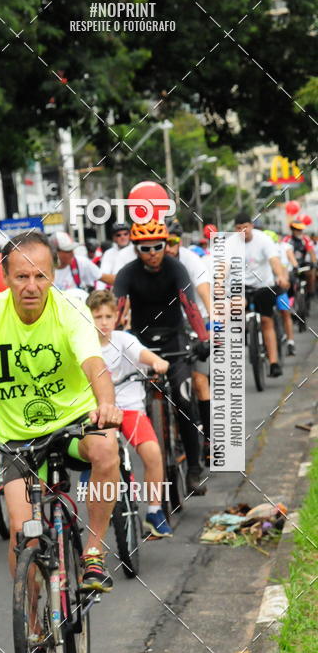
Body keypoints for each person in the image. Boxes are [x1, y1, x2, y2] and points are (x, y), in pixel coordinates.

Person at [0, 231, 123, 592]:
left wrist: (107, 405)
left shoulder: (69, 308)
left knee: (106, 447)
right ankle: (34, 630)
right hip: (18, 438)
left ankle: (94, 550)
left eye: (40, 276)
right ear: (5, 277)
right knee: (23, 537)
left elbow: (95, 365)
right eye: (21, 276)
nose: (31, 286)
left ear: (52, 276)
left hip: (72, 423)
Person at [113, 220, 209, 494]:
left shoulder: (176, 268)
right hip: (141, 345)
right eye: (145, 248)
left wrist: (202, 338)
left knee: (183, 397)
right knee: (133, 401)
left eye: (158, 246)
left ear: (166, 245)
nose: (153, 252)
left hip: (175, 340)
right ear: (136, 249)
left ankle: (193, 468)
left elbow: (190, 306)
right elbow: (116, 313)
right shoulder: (126, 273)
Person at [86, 290, 172, 536]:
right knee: (100, 456)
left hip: (130, 409)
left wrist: (157, 362)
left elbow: (144, 355)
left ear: (116, 318)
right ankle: (105, 503)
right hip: (101, 413)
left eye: (108, 316)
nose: (103, 322)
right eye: (97, 316)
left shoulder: (124, 340)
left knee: (153, 452)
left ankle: (154, 511)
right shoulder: (84, 346)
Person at [165, 219, 213, 465]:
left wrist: (212, 324)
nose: (169, 248)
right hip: (170, 328)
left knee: (198, 379)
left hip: (197, 320)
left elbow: (204, 291)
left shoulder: (191, 260)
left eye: (173, 242)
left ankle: (209, 439)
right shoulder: (153, 264)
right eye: (165, 242)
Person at [234, 211, 289, 377]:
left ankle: (273, 362)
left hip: (264, 285)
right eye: (238, 228)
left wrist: (280, 276)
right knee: (236, 311)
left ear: (251, 226)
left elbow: (274, 260)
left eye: (246, 227)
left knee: (266, 321)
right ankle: (246, 339)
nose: (243, 231)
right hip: (242, 286)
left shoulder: (263, 239)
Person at [50, 231, 104, 295]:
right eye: (68, 251)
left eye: (72, 249)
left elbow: (105, 277)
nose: (72, 253)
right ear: (55, 252)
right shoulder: (44, 269)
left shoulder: (80, 262)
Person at [284, 220, 316, 299]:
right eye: (298, 230)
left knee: (311, 273)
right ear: (292, 230)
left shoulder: (305, 239)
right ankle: (289, 297)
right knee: (288, 282)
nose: (300, 231)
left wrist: (314, 262)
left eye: (301, 230)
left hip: (302, 264)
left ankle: (310, 293)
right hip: (290, 265)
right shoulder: (287, 239)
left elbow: (311, 252)